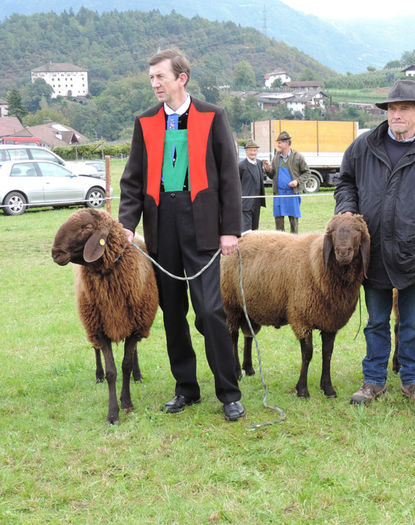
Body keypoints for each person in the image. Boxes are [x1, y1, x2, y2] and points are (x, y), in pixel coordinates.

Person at [118, 49, 245, 422]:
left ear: (181, 78)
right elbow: (133, 181)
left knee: (210, 310)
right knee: (172, 312)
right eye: (151, 78)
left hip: (203, 225)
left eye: (160, 77)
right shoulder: (145, 122)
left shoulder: (212, 115)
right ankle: (185, 388)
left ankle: (229, 392)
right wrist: (128, 223)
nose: (155, 84)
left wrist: (230, 230)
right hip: (162, 227)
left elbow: (229, 179)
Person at [334, 79, 415, 407]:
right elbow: (345, 181)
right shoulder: (364, 147)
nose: (397, 115)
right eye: (392, 109)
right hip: (372, 253)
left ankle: (413, 380)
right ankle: (373, 380)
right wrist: (347, 209)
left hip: (413, 253)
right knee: (376, 320)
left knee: (412, 320)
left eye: (404, 108)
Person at [264, 131, 310, 233]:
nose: (278, 145)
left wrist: (297, 181)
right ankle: (280, 244)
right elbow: (272, 175)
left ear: (287, 143)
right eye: (278, 142)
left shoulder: (298, 156)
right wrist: (267, 170)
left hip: (292, 193)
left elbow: (307, 173)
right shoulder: (276, 157)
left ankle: (294, 243)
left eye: (280, 142)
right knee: (278, 221)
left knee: (293, 221)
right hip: (279, 193)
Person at [238, 139, 268, 232]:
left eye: (255, 150)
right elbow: (237, 183)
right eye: (250, 150)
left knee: (255, 229)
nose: (253, 152)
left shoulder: (259, 163)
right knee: (246, 231)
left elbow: (261, 178)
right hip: (246, 203)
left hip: (257, 202)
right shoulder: (241, 165)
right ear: (246, 151)